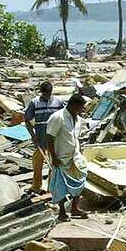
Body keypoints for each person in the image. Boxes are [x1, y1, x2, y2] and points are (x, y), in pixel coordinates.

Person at [45, 93, 89, 221]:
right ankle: (62, 212)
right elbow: (50, 137)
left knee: (81, 177)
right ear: (73, 105)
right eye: (80, 108)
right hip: (61, 157)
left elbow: (75, 137)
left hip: (75, 156)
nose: (82, 110)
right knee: (61, 186)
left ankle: (74, 208)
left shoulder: (78, 119)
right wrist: (53, 157)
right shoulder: (58, 117)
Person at [24, 81, 65, 193]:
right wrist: (33, 135)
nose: (47, 96)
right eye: (45, 94)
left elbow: (65, 117)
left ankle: (51, 188)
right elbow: (27, 120)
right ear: (41, 92)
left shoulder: (59, 102)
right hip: (40, 138)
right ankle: (36, 186)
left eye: (49, 94)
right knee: (37, 163)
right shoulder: (35, 102)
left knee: (54, 164)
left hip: (55, 139)